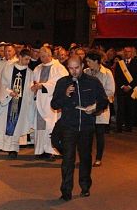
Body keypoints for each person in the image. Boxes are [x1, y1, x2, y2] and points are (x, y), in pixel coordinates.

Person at [51, 56, 108, 201]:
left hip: (87, 127)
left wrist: (94, 109)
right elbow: (54, 104)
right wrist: (65, 95)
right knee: (68, 160)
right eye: (71, 68)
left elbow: (103, 101)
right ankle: (66, 191)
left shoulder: (93, 82)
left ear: (82, 66)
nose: (74, 71)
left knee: (85, 158)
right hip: (69, 126)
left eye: (76, 68)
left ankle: (85, 186)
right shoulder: (62, 82)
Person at [0, 49, 35, 158]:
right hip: (8, 102)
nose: (28, 62)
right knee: (4, 124)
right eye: (26, 59)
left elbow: (30, 89)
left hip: (21, 103)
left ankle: (13, 149)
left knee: (18, 124)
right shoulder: (9, 68)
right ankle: (2, 145)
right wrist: (10, 92)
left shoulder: (29, 73)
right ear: (20, 57)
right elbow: (2, 84)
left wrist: (31, 90)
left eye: (29, 60)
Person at [31, 46, 68, 160]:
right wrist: (33, 87)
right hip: (39, 101)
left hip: (51, 102)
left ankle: (51, 150)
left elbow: (61, 82)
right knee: (40, 126)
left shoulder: (59, 68)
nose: (42, 58)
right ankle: (40, 150)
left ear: (50, 55)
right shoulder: (37, 68)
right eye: (41, 56)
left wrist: (43, 85)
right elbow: (32, 82)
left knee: (51, 126)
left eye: (44, 56)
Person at [84, 51, 115, 167]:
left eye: (89, 61)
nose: (87, 64)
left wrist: (98, 102)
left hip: (100, 108)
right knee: (87, 135)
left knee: (99, 134)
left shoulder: (107, 73)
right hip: (87, 108)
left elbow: (110, 91)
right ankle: (86, 157)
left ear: (96, 61)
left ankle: (98, 158)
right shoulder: (85, 72)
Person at [114, 46, 137, 132]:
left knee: (130, 108)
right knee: (120, 109)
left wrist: (130, 86)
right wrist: (122, 86)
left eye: (129, 51)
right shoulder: (119, 63)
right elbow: (117, 77)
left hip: (132, 90)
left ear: (132, 53)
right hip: (121, 90)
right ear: (123, 53)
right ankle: (119, 127)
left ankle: (128, 127)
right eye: (126, 51)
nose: (127, 53)